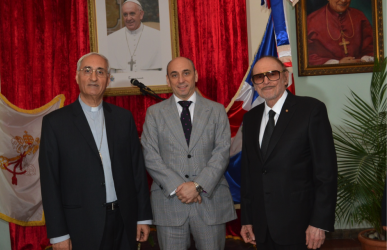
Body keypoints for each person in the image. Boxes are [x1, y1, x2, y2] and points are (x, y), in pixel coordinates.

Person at [39, 52, 152, 250]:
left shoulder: (123, 118)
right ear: (77, 76)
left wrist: (143, 217)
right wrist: (58, 234)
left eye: (100, 72)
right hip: (80, 225)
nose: (93, 77)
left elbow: (137, 172)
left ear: (108, 80)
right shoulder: (55, 123)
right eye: (87, 71)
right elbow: (50, 182)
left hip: (124, 220)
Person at [240, 56, 337, 250]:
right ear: (254, 84)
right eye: (259, 77)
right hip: (262, 227)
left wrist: (319, 223)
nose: (265, 81)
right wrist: (247, 219)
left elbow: (326, 173)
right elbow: (249, 174)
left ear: (285, 78)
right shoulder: (250, 119)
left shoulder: (311, 110)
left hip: (301, 228)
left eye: (272, 74)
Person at [141, 57, 236, 250]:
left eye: (186, 73)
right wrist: (180, 187)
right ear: (168, 80)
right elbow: (150, 155)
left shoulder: (217, 111)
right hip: (170, 205)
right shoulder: (154, 113)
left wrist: (198, 185)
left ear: (196, 76)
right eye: (174, 75)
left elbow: (221, 153)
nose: (181, 80)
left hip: (210, 203)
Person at [307, 0, 374, 65]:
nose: (343, 0)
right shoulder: (312, 21)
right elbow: (309, 57)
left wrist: (363, 61)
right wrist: (338, 64)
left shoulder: (359, 16)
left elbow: (372, 47)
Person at [106, 0, 162, 72]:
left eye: (132, 14)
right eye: (125, 14)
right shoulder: (111, 39)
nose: (128, 18)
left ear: (141, 14)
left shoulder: (158, 37)